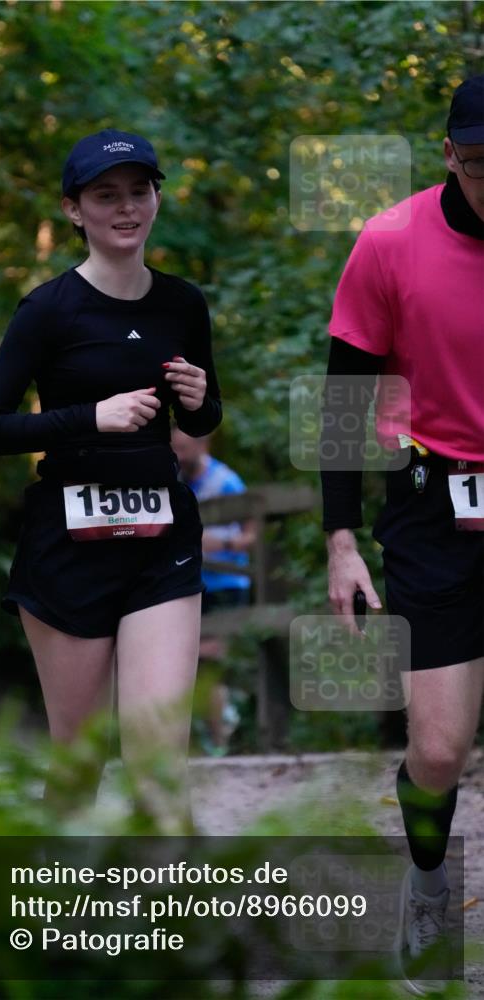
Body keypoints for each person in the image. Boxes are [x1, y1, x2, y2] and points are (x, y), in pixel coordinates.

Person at [0, 129, 222, 832]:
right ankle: (62, 925)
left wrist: (199, 400)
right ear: (73, 209)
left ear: (156, 199)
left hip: (158, 547)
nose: (125, 208)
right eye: (105, 196)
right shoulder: (47, 310)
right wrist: (92, 417)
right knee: (78, 765)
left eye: (138, 192)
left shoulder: (181, 303)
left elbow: (202, 423)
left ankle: (163, 935)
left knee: (157, 767)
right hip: (69, 548)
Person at [321, 76, 484, 995]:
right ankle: (427, 887)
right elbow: (344, 398)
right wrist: (339, 538)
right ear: (451, 155)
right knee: (435, 751)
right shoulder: (389, 241)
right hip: (433, 504)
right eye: (483, 163)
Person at [172, 428, 256, 750]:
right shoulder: (174, 481)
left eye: (183, 446)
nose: (178, 453)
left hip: (227, 584)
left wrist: (225, 543)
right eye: (173, 447)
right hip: (186, 582)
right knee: (190, 659)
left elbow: (253, 532)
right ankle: (213, 725)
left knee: (208, 656)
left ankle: (219, 735)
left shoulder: (226, 481)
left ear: (202, 443)